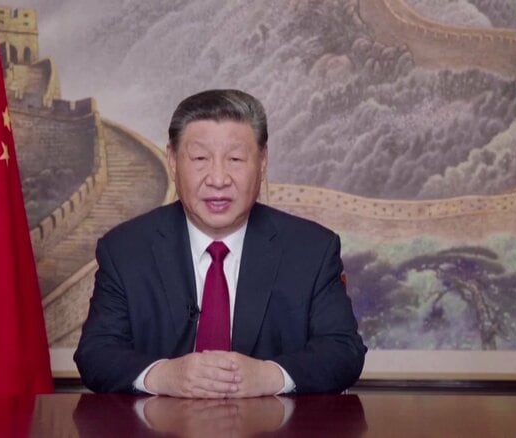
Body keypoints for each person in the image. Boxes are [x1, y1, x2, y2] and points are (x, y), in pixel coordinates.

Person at [74, 89, 366, 398]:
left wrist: (268, 376)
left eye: (235, 159)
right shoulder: (124, 250)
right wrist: (164, 376)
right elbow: (96, 354)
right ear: (172, 160)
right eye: (200, 158)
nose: (218, 179)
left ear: (263, 161)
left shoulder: (312, 250)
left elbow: (343, 351)